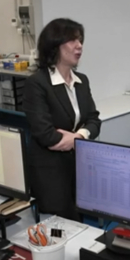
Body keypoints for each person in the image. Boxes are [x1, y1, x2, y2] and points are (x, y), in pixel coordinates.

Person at [23, 18, 101, 221]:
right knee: (59, 228)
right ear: (54, 45)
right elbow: (46, 135)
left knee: (79, 222)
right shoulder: (37, 84)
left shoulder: (82, 81)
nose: (79, 46)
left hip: (79, 168)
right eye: (72, 40)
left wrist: (78, 136)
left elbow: (94, 120)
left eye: (80, 40)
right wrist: (81, 137)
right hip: (50, 174)